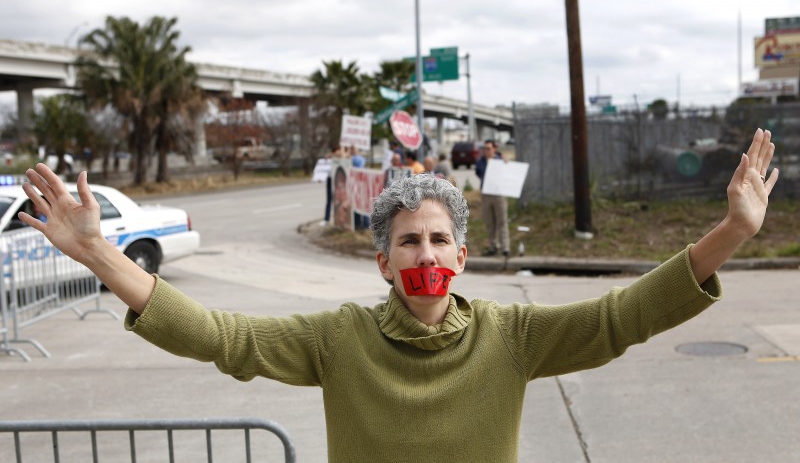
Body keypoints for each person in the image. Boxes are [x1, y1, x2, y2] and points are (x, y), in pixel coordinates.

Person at [17, 129, 779, 463]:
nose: (426, 254)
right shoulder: (339, 339)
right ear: (382, 263)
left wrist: (731, 234)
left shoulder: (511, 337)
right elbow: (221, 336)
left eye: (440, 240)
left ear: (464, 257)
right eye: (409, 242)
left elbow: (624, 316)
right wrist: (100, 252)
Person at [475, 139, 510, 257]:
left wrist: (503, 161)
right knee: (490, 222)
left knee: (502, 221)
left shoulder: (500, 161)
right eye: (484, 149)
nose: (486, 151)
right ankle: (493, 246)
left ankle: (505, 247)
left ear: (494, 149)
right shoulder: (481, 161)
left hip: (499, 194)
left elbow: (507, 172)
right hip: (486, 194)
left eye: (488, 148)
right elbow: (479, 173)